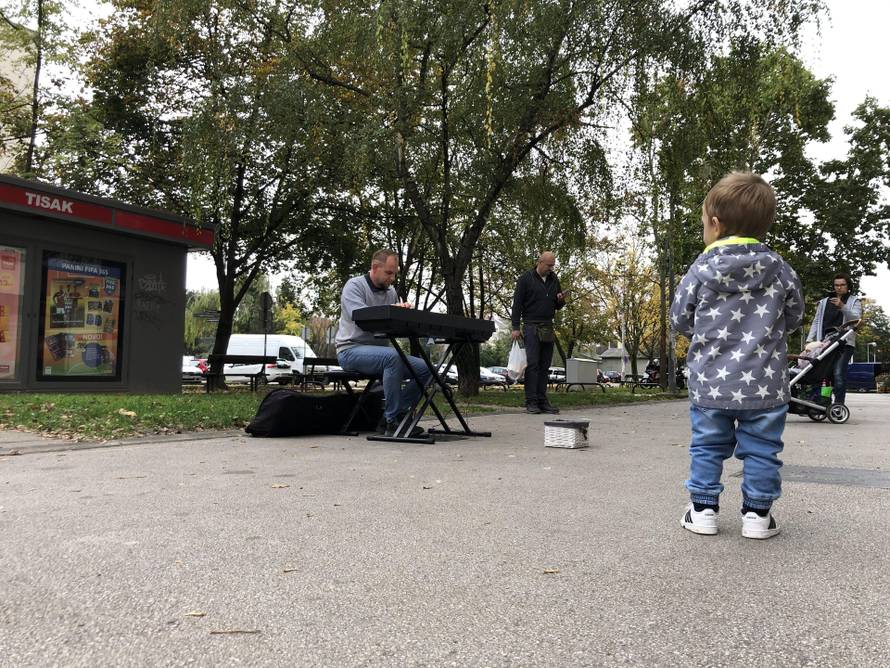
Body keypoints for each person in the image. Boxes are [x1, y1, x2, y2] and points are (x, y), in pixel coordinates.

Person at [670, 172, 804, 540]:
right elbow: (794, 316)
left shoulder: (699, 271)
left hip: (711, 381)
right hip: (764, 383)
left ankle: (703, 511)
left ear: (714, 224)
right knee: (763, 449)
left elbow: (680, 318)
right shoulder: (780, 271)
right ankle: (757, 516)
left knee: (707, 446)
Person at [336, 249, 431, 437]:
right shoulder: (354, 286)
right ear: (374, 267)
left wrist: (405, 317)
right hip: (351, 350)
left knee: (427, 369)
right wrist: (390, 310)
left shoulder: (391, 292)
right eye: (389, 272)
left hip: (384, 355)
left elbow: (392, 327)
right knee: (393, 358)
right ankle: (391, 421)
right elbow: (361, 318)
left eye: (395, 273)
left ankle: (401, 415)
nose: (392, 278)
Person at [510, 251, 567, 414]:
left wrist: (561, 299)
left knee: (544, 365)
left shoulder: (554, 279)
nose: (551, 268)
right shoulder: (525, 279)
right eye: (549, 265)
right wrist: (515, 327)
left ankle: (542, 401)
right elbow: (517, 304)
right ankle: (531, 401)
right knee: (533, 364)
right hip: (531, 326)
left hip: (548, 326)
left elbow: (557, 305)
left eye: (553, 266)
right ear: (540, 262)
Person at [806, 273, 862, 405]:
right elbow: (816, 321)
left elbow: (856, 320)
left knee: (838, 374)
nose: (839, 288)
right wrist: (809, 341)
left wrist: (842, 306)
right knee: (823, 374)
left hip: (844, 344)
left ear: (848, 286)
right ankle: (823, 401)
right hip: (824, 343)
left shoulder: (855, 301)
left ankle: (839, 404)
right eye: (836, 285)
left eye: (842, 285)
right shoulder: (824, 302)